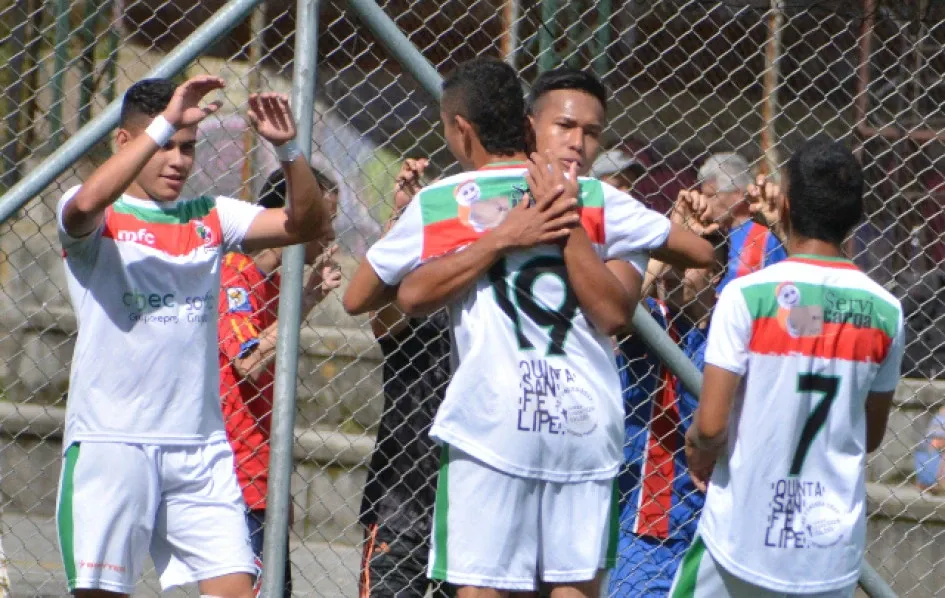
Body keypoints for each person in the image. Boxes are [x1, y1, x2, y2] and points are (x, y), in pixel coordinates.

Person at [344, 59, 713, 597]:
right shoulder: (602, 203)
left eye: (591, 132)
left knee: (482, 587)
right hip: (582, 419)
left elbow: (362, 295)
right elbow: (699, 248)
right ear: (529, 126)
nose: (579, 143)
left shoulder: (449, 201)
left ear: (460, 128)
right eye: (566, 127)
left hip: (492, 418)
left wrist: (494, 237)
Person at [55, 76, 332, 597]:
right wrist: (163, 125)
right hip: (113, 444)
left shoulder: (210, 215)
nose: (178, 161)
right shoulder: (97, 212)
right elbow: (84, 205)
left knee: (236, 588)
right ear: (127, 143)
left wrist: (289, 150)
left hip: (200, 450)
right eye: (165, 146)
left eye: (187, 148)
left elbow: (307, 223)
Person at [670, 137, 905, 597]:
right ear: (856, 215)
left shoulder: (749, 296)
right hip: (827, 549)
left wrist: (697, 447)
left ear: (788, 205)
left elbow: (712, 426)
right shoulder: (886, 311)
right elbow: (871, 435)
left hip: (742, 538)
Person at [218, 167, 341, 597]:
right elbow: (248, 361)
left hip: (260, 475)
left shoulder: (275, 286)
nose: (329, 233)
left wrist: (304, 298)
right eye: (323, 220)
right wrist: (300, 304)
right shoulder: (235, 273)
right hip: (234, 479)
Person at [609, 233, 727, 597]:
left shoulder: (733, 327)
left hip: (720, 521)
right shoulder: (654, 320)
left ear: (716, 271)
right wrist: (663, 237)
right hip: (651, 522)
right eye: (668, 263)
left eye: (686, 263)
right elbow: (616, 307)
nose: (673, 274)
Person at [358, 158, 455, 598]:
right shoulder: (415, 306)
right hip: (402, 500)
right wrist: (402, 220)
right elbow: (381, 311)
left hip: (472, 500)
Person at [677, 152, 787, 291]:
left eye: (712, 196)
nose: (704, 202)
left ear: (738, 195)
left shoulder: (764, 236)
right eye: (703, 194)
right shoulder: (702, 233)